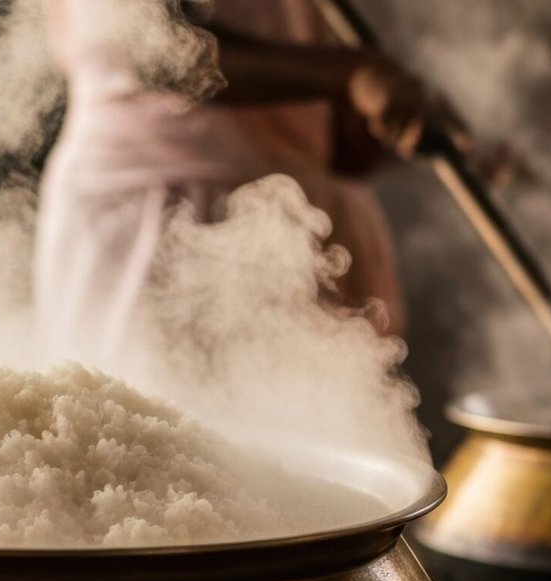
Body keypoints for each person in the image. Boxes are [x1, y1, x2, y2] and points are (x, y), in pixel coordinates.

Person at [34, 0, 479, 367]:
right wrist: (353, 75)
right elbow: (153, 45)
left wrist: (380, 118)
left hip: (297, 223)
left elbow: (327, 122)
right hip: (161, 219)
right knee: (163, 446)